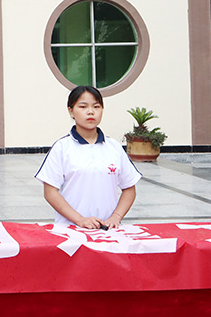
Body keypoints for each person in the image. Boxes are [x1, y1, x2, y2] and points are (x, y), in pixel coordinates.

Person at [35, 85, 140, 229]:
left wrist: (116, 217)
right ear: (71, 111)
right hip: (70, 230)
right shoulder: (62, 148)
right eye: (83, 107)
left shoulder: (114, 147)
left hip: (108, 231)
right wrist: (80, 220)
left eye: (96, 107)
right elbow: (50, 192)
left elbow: (129, 188)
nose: (90, 112)